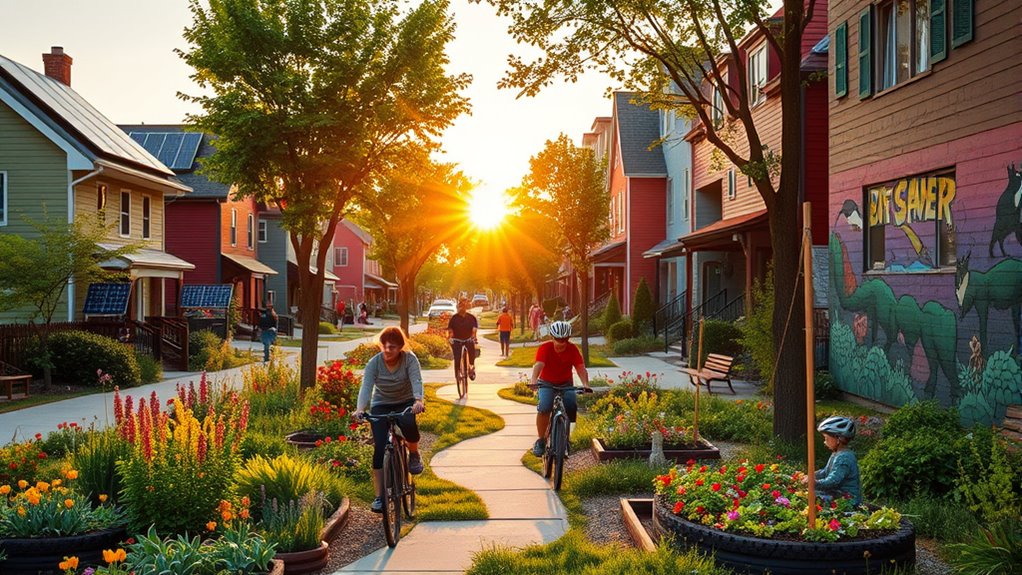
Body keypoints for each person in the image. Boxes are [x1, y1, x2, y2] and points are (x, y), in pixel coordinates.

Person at [353, 327, 426, 513]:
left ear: (400, 347)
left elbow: (416, 380)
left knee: (409, 424)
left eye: (392, 347)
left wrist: (418, 400)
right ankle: (379, 496)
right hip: (381, 403)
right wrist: (360, 409)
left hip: (405, 402)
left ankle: (414, 454)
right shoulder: (374, 363)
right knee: (379, 447)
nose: (387, 350)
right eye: (384, 346)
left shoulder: (409, 359)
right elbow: (366, 387)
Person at [530, 320, 591, 456]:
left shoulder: (573, 349)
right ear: (552, 337)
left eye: (565, 340)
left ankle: (565, 439)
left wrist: (586, 384)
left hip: (565, 384)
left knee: (571, 407)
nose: (561, 343)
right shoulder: (545, 348)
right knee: (545, 407)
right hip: (547, 383)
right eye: (558, 339)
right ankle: (540, 441)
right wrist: (534, 381)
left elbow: (580, 368)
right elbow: (539, 365)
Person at [814, 416, 862, 506]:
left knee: (811, 496)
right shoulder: (837, 453)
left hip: (847, 501)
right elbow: (825, 472)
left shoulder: (844, 458)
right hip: (837, 494)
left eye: (826, 438)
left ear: (838, 439)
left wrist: (814, 483)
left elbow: (832, 481)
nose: (824, 442)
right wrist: (812, 475)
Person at [447, 298, 479, 381]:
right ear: (458, 308)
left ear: (466, 308)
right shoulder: (454, 318)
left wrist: (474, 336)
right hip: (457, 340)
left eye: (463, 307)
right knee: (457, 357)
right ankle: (458, 373)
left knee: (472, 351)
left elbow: (474, 329)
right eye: (460, 307)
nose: (462, 308)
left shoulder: (471, 318)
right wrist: (450, 336)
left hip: (468, 339)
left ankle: (471, 367)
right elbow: (450, 329)